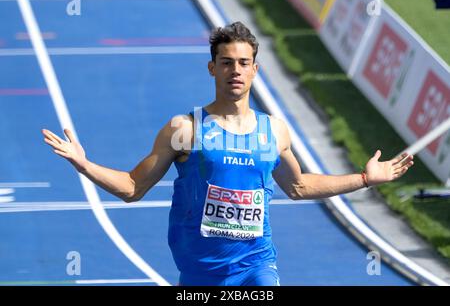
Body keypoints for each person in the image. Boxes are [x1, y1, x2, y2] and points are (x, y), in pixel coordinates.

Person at [42, 21, 414, 286]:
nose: (235, 70)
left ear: (255, 69)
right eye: (226, 62)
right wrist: (84, 164)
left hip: (257, 263)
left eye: (243, 63)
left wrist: (364, 179)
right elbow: (131, 188)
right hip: (200, 270)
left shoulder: (275, 131)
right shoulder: (185, 130)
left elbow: (298, 186)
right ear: (212, 68)